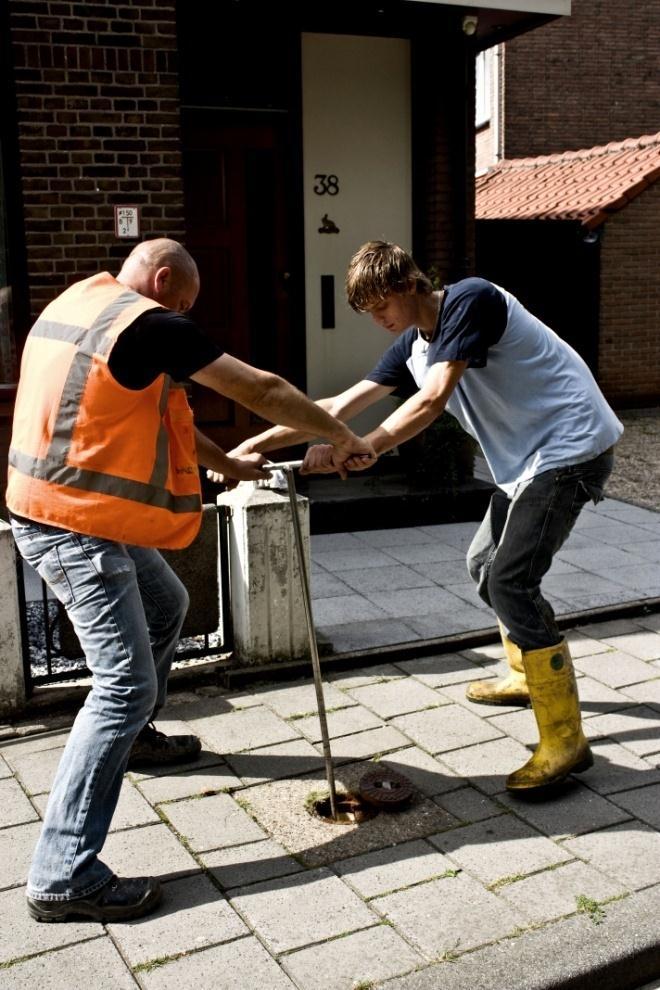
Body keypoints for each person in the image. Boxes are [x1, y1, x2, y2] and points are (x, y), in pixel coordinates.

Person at [6, 238, 375, 922]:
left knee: (166, 602)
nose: (184, 315)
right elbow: (262, 390)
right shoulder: (149, 324)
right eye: (184, 303)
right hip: (72, 523)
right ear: (166, 280)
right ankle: (63, 872)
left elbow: (163, 420)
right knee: (124, 682)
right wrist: (344, 437)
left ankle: (135, 739)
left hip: (61, 505)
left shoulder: (80, 305)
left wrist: (233, 469)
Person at [222, 240, 623, 798]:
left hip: (570, 448)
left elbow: (433, 400)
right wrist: (252, 447)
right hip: (528, 461)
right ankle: (526, 675)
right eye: (370, 312)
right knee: (483, 564)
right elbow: (338, 407)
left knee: (512, 579)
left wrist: (365, 446)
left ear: (410, 284)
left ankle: (565, 739)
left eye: (382, 305)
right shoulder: (412, 345)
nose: (379, 320)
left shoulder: (471, 301)